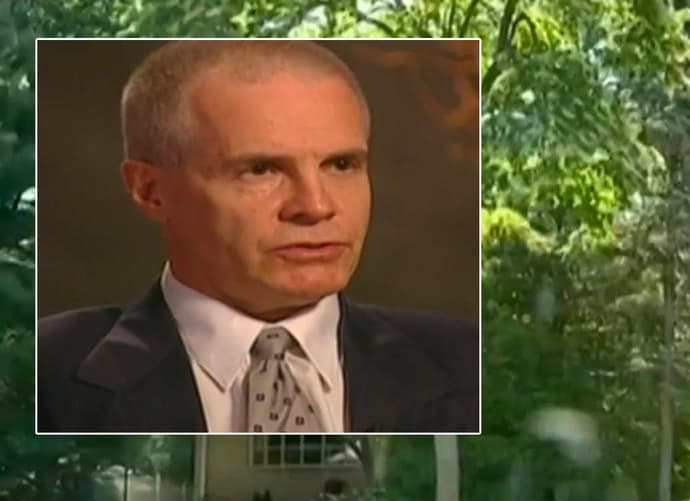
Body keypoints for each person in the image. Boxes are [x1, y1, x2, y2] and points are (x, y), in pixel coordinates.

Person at [37, 39, 479, 433]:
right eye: (260, 169)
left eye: (341, 165)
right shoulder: (41, 371)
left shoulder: (472, 362)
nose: (316, 206)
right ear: (150, 191)